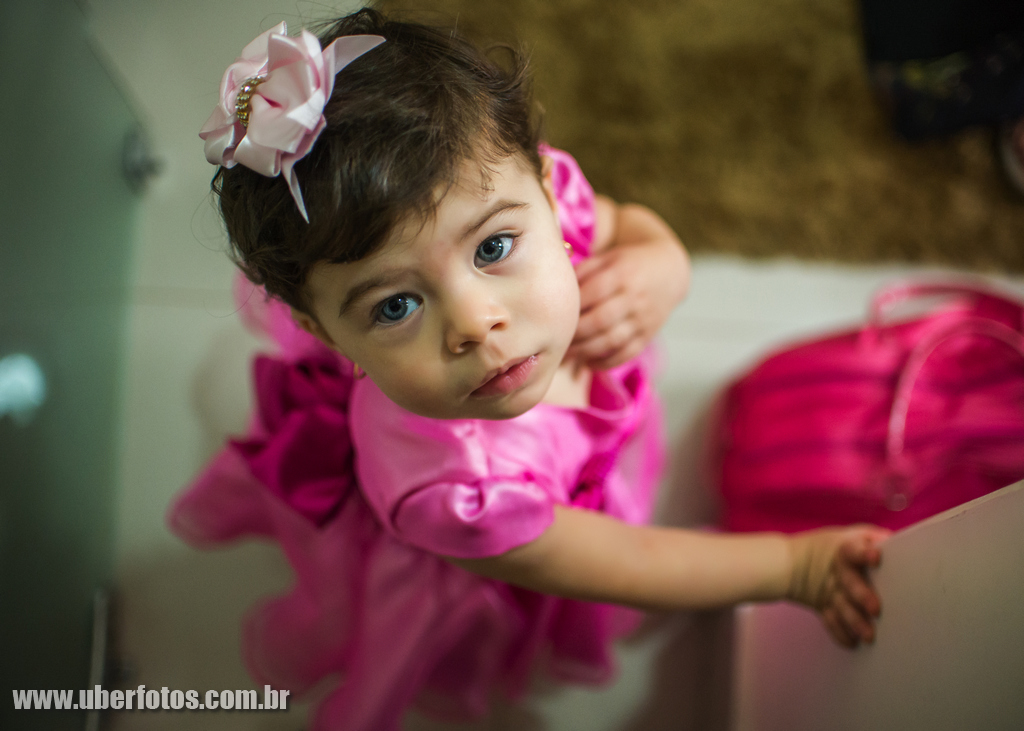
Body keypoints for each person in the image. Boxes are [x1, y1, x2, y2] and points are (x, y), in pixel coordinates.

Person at [169, 8, 888, 730]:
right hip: (515, 540)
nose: (477, 324)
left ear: (545, 185)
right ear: (322, 331)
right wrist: (796, 568)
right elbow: (633, 559)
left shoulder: (534, 203)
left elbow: (620, 220)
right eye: (395, 306)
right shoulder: (453, 493)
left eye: (491, 251)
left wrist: (660, 259)